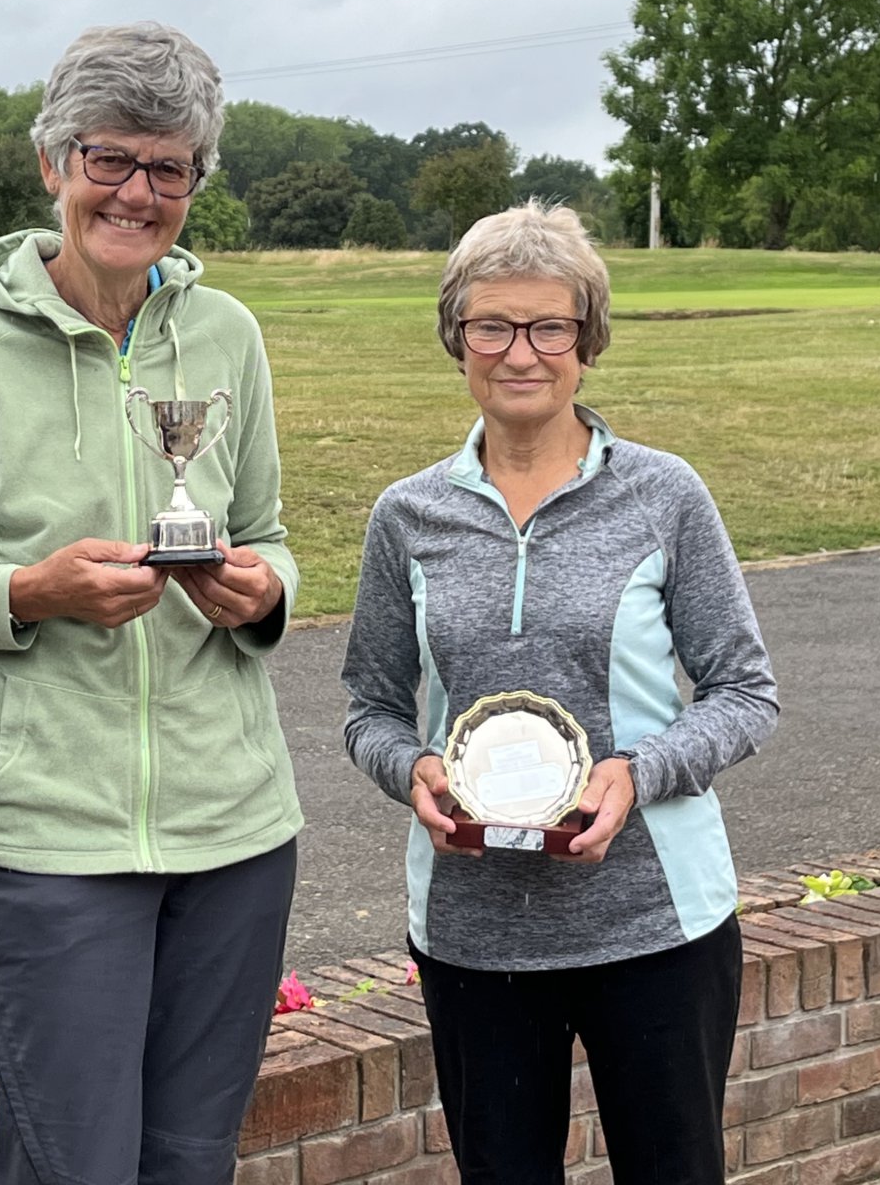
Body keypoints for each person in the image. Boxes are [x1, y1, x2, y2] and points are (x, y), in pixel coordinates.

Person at [0, 22, 301, 1185]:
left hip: (233, 827)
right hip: (46, 839)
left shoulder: (227, 335)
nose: (137, 193)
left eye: (169, 168)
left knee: (191, 1162)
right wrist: (25, 593)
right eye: (110, 159)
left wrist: (259, 592)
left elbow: (271, 535)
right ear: (52, 162)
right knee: (72, 1168)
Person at [340, 201, 778, 1185]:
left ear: (588, 340)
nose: (519, 353)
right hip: (471, 929)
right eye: (490, 325)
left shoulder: (663, 496)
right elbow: (368, 705)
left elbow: (743, 691)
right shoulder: (407, 516)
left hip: (655, 920)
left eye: (550, 326)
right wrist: (406, 766)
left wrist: (639, 771)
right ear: (456, 338)